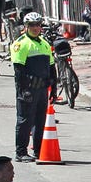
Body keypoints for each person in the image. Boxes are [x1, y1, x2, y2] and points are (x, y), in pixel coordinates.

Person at [10, 12, 55, 162]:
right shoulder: (21, 44)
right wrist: (23, 90)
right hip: (28, 89)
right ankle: (20, 152)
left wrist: (53, 88)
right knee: (24, 121)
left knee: (40, 120)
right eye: (32, 25)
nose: (35, 28)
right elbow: (18, 71)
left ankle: (38, 150)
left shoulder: (44, 43)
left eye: (38, 25)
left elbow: (51, 67)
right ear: (26, 27)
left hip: (42, 89)